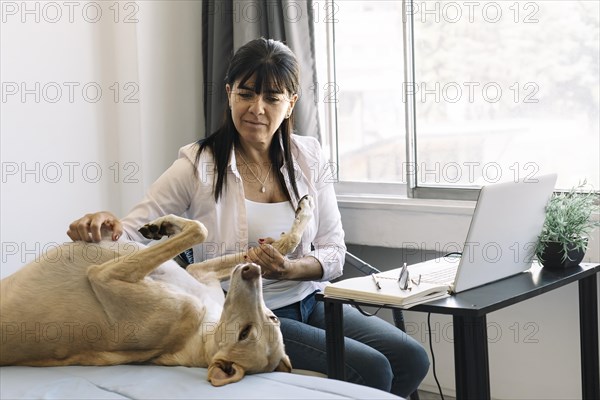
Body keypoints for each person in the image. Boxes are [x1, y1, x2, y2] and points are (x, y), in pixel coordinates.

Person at [67, 37, 429, 397]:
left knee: (412, 359)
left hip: (310, 300)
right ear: (229, 94)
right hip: (248, 318)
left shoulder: (310, 157)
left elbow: (333, 250)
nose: (257, 108)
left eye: (272, 97)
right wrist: (103, 225)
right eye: (246, 93)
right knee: (374, 369)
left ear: (290, 104)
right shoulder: (198, 164)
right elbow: (132, 231)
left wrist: (290, 270)